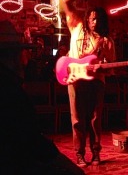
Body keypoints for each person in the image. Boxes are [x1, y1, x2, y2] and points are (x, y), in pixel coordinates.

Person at [0, 20, 85, 175]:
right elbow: (34, 143)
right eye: (22, 53)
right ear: (12, 56)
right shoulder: (11, 92)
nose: (25, 60)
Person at [62, 0, 116, 167]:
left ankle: (95, 154)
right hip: (75, 80)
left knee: (94, 119)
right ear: (87, 18)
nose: (94, 21)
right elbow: (66, 2)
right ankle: (79, 155)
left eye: (98, 18)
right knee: (77, 120)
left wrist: (103, 68)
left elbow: (110, 69)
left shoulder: (107, 42)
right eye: (92, 18)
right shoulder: (76, 27)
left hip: (96, 82)